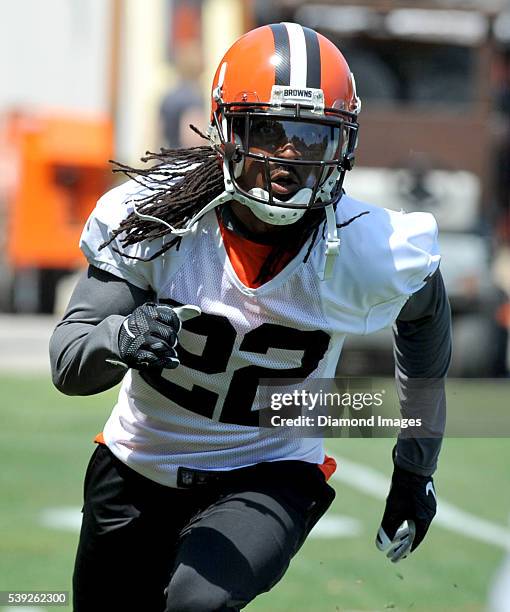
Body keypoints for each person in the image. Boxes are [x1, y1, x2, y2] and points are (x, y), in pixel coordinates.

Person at [50, 22, 451, 612]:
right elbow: (69, 363)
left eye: (312, 137)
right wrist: (122, 335)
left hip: (269, 467)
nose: (289, 158)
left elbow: (425, 338)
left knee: (196, 604)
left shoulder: (371, 248)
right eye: (269, 131)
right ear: (225, 130)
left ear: (343, 144)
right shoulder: (158, 219)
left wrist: (415, 471)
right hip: (139, 465)